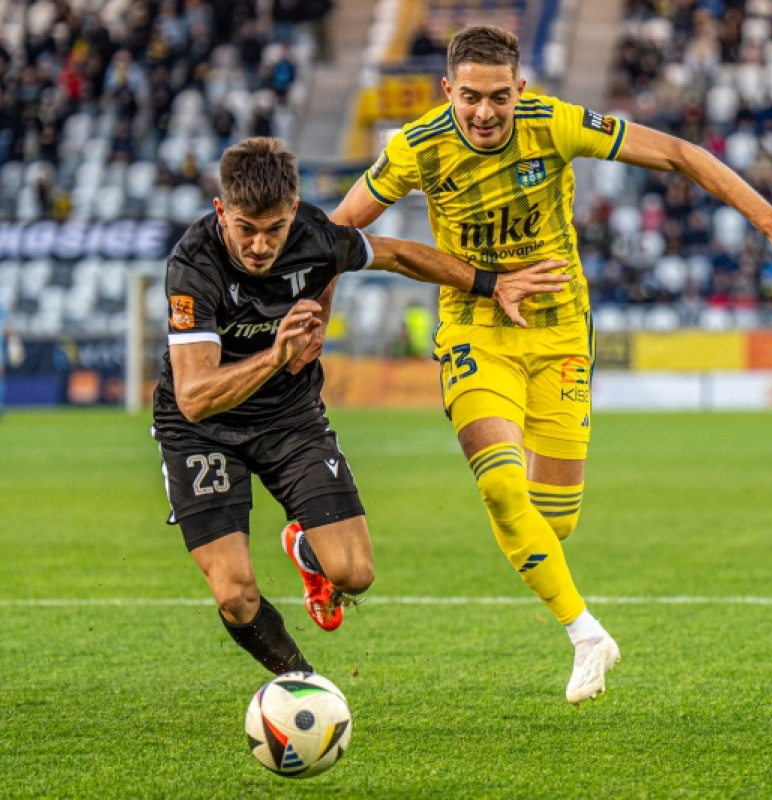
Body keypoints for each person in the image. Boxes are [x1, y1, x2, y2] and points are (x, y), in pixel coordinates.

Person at [328, 25, 772, 705]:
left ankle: (324, 559)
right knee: (499, 486)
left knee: (550, 522)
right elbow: (338, 231)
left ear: (521, 89)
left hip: (561, 337)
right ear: (447, 92)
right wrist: (313, 318)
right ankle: (585, 634)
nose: (485, 113)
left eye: (498, 97)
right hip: (474, 329)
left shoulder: (554, 125)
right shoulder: (417, 148)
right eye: (469, 99)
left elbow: (678, 153)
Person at [151, 136, 570, 677]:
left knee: (354, 574)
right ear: (221, 212)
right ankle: (304, 686)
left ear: (293, 212)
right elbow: (195, 396)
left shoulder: (316, 237)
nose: (259, 245)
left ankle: (307, 552)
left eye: (274, 229)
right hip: (202, 431)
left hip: (288, 419)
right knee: (236, 595)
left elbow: (396, 254)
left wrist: (492, 284)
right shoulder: (193, 266)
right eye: (245, 229)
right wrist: (276, 355)